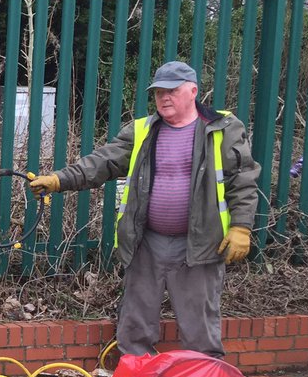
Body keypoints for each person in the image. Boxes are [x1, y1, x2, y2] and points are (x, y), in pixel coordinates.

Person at [28, 60, 260, 358]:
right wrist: (60, 179)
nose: (164, 97)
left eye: (172, 91)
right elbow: (103, 162)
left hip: (200, 244)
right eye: (158, 92)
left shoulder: (221, 128)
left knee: (199, 325)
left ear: (192, 91)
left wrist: (241, 227)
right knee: (135, 321)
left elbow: (243, 179)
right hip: (146, 242)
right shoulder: (143, 130)